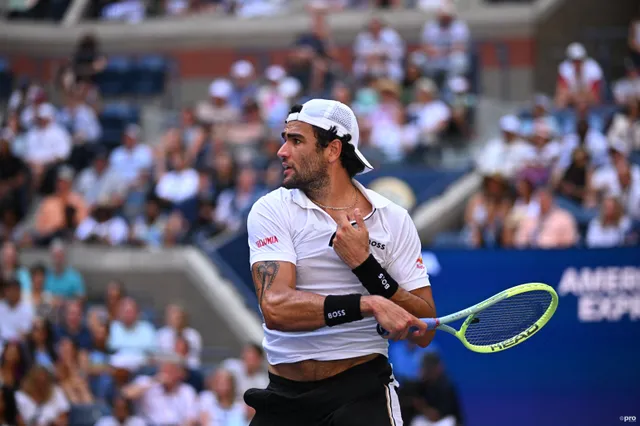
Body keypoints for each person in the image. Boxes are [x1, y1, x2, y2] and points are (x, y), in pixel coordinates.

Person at [245, 99, 436, 425]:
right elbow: (275, 308)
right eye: (284, 138)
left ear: (332, 150)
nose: (281, 151)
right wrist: (367, 304)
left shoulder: (394, 219)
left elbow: (424, 328)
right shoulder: (270, 209)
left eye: (296, 140)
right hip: (284, 397)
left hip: (361, 393)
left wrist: (366, 265)